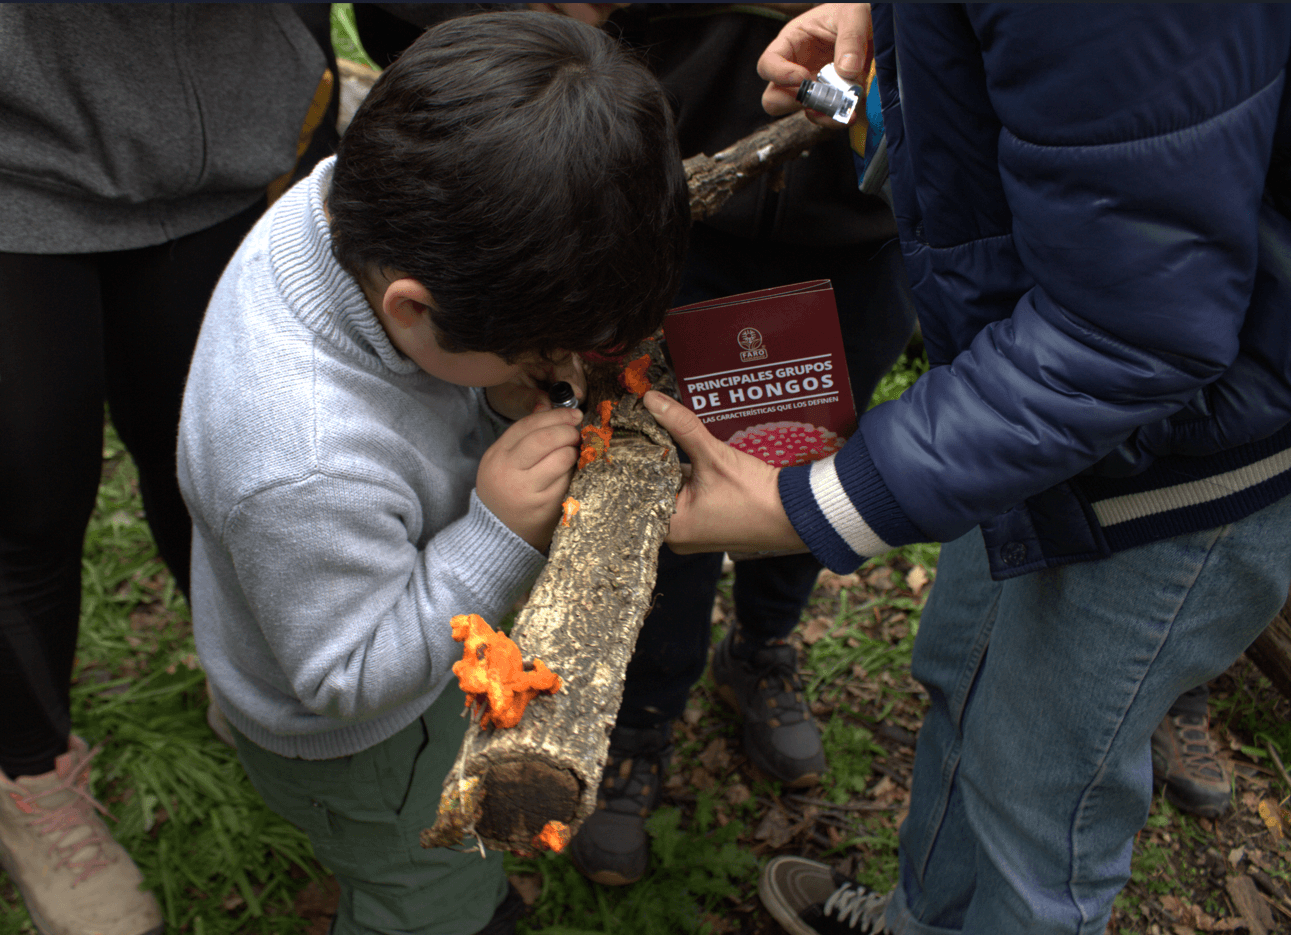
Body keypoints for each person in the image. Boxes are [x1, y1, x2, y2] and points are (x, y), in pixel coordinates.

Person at [641, 4, 1291, 933]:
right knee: (964, 682)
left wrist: (821, 502)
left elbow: (1129, 330)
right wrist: (915, 34)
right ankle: (926, 915)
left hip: (1174, 455)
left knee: (1036, 817)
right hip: (1040, 408)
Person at [177, 13, 689, 935]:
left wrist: (496, 386)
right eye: (536, 352)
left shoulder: (349, 208)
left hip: (322, 610)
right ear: (412, 309)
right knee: (424, 888)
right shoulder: (301, 456)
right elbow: (347, 673)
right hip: (372, 747)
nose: (554, 370)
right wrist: (494, 533)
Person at [0, 6, 332, 934]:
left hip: (222, 151)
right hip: (14, 166)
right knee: (26, 496)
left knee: (218, 459)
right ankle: (28, 776)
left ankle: (248, 684)